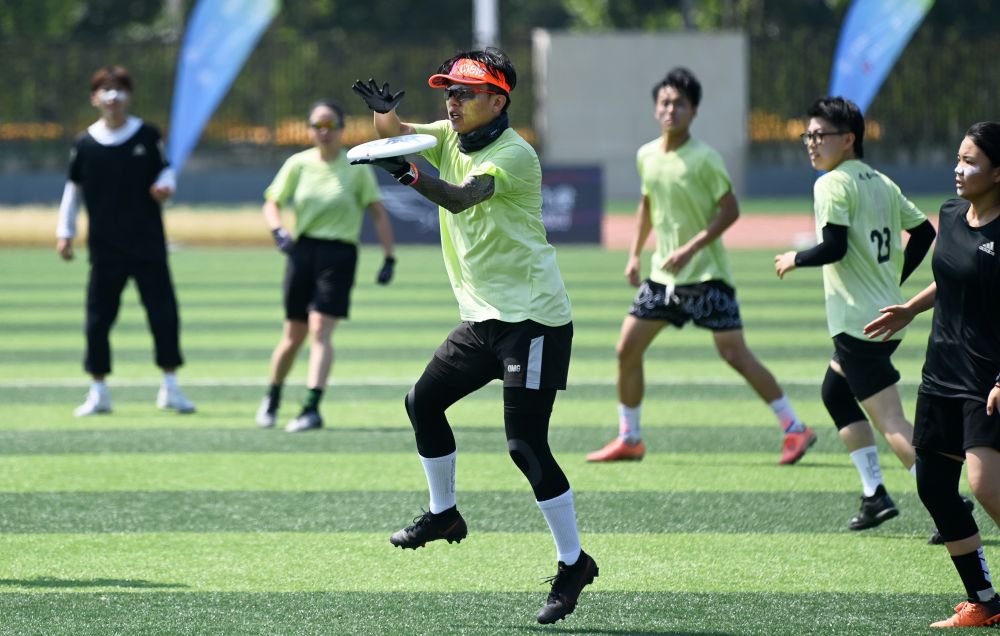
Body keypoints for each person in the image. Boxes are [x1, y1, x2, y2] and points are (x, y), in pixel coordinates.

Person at [350, 47, 597, 625]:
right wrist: (385, 115)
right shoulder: (450, 137)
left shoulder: (514, 154)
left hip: (533, 320)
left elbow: (462, 199)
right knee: (422, 402)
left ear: (498, 101)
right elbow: (396, 136)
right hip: (483, 319)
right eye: (449, 91)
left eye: (464, 92)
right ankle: (444, 514)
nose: (452, 101)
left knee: (525, 446)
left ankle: (574, 563)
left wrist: (408, 174)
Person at [586, 67, 814, 465]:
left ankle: (795, 428)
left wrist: (691, 249)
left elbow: (730, 210)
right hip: (662, 279)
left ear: (694, 111)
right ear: (655, 108)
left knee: (735, 354)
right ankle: (630, 438)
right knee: (626, 349)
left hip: (707, 278)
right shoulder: (646, 155)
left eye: (679, 104)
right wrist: (634, 255)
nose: (670, 110)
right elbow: (647, 205)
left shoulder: (706, 159)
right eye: (665, 102)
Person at [774, 96, 937, 532]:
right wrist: (892, 279)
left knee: (891, 421)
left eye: (820, 135)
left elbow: (835, 246)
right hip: (881, 316)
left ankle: (946, 503)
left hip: (859, 325)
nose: (811, 143)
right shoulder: (881, 181)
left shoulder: (831, 183)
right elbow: (924, 233)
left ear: (848, 139)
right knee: (835, 393)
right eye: (808, 135)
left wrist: (794, 258)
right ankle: (874, 495)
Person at [863, 121, 1000, 628]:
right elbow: (951, 275)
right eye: (958, 158)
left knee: (984, 485)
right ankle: (984, 600)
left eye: (970, 162)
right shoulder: (950, 213)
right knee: (936, 486)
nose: (958, 169)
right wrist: (910, 309)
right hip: (941, 371)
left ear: (998, 173)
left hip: (987, 378)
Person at [55, 65, 195, 416]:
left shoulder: (146, 135)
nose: (112, 96)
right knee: (98, 320)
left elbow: (166, 170)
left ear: (129, 96)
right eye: (105, 89)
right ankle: (98, 391)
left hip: (148, 244)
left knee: (163, 315)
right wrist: (65, 232)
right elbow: (73, 190)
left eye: (119, 89)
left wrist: (166, 187)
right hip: (105, 247)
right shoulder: (85, 143)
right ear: (94, 98)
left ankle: (170, 387)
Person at [255, 99, 396, 432]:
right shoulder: (298, 164)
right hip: (303, 252)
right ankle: (272, 396)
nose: (324, 131)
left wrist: (389, 257)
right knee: (293, 335)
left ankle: (311, 407)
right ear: (309, 129)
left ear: (342, 128)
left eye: (330, 124)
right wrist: (277, 230)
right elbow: (272, 202)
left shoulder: (356, 166)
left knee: (320, 328)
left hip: (339, 254)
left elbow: (377, 213)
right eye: (317, 125)